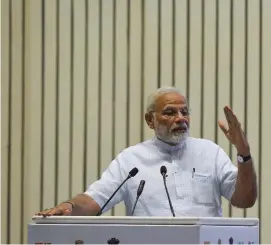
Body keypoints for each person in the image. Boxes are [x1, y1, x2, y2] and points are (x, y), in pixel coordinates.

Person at [36, 87, 257, 217]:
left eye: (184, 111)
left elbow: (245, 200)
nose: (180, 118)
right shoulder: (131, 159)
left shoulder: (210, 152)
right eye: (170, 112)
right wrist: (68, 207)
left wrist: (243, 152)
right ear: (150, 120)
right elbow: (95, 200)